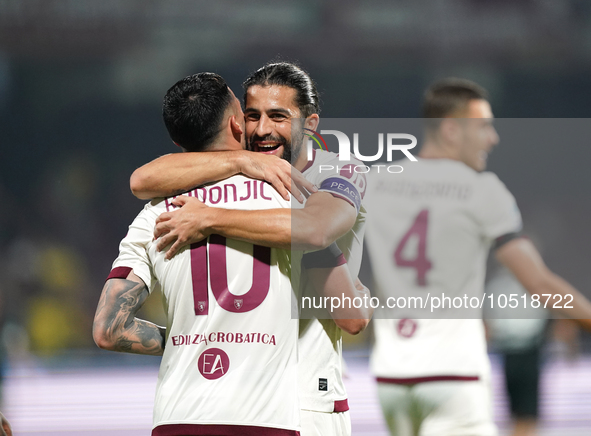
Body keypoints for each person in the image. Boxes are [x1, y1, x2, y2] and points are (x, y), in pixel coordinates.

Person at [129, 62, 371, 436]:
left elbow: (315, 229)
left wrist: (209, 217)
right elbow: (143, 179)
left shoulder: (339, 172)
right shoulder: (242, 169)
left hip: (309, 399)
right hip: (244, 400)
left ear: (310, 124)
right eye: (253, 116)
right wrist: (242, 159)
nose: (262, 130)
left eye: (278, 116)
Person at [365, 78, 591, 436]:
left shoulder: (375, 181)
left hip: (391, 377)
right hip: (453, 375)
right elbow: (539, 283)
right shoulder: (481, 190)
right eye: (484, 126)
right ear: (452, 129)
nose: (492, 138)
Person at [94, 72, 306, 435]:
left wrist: (186, 338)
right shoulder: (284, 193)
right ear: (237, 124)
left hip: (178, 418)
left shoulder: (155, 214)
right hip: (264, 420)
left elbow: (108, 330)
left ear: (178, 141)